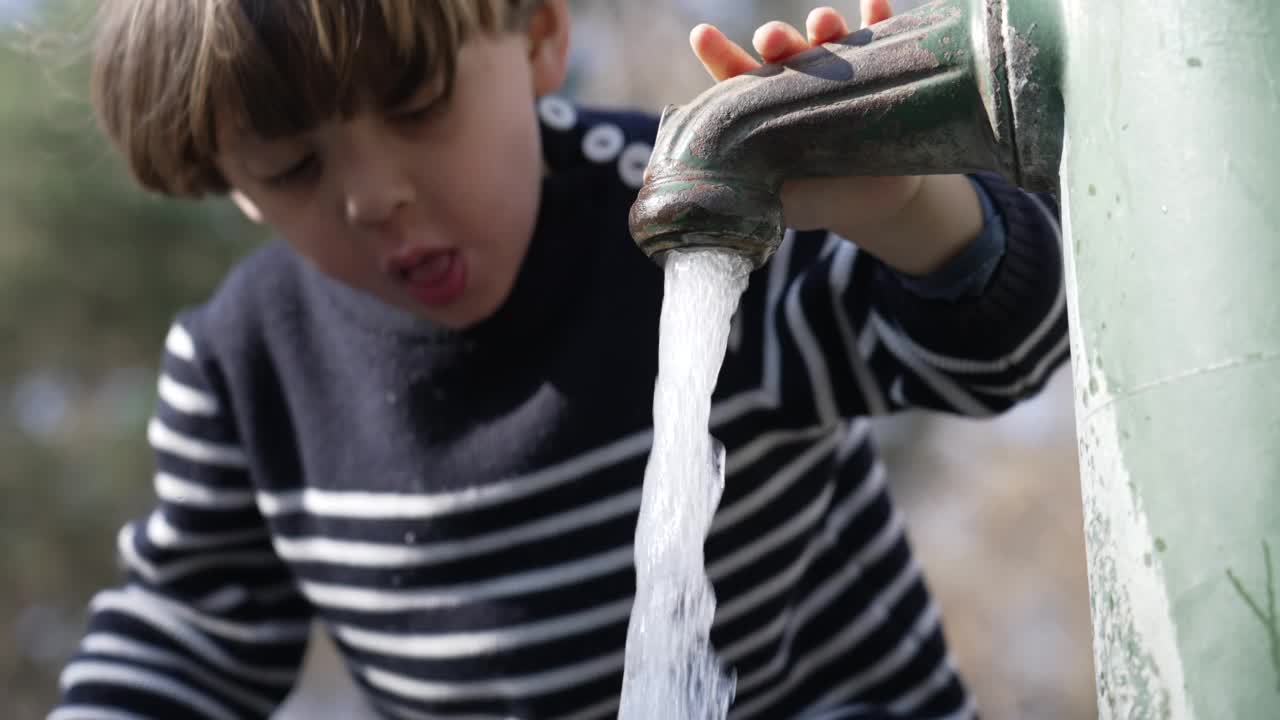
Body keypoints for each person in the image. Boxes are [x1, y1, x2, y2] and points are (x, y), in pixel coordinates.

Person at [53, 0, 1068, 717]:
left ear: (537, 34)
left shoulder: (705, 224)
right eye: (290, 167)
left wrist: (904, 211)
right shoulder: (244, 370)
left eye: (417, 109)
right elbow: (189, 633)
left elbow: (1002, 357)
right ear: (227, 176)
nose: (372, 196)